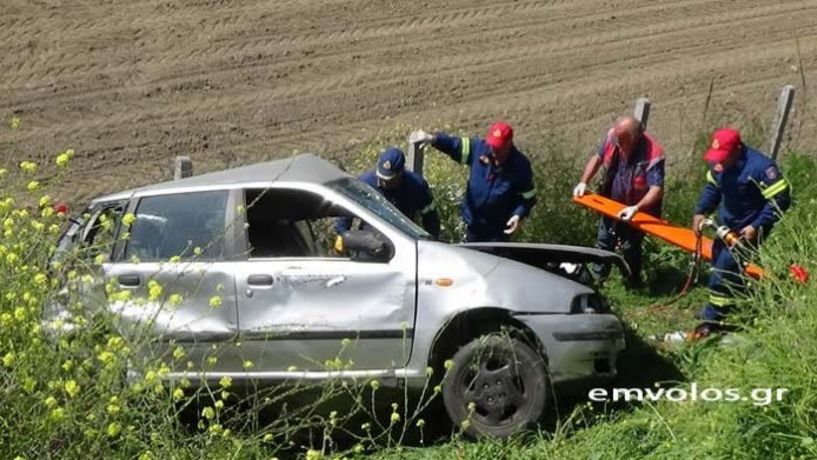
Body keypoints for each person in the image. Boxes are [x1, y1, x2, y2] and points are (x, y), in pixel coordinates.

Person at [690, 128, 791, 336]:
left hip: (748, 231)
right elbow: (713, 188)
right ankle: (730, 305)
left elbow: (781, 199)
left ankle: (712, 319)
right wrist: (701, 211)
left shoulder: (761, 168)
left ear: (737, 150)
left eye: (723, 157)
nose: (719, 162)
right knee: (720, 264)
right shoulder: (721, 163)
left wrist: (757, 226)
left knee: (724, 271)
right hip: (724, 226)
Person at [573, 115, 665, 286]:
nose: (618, 144)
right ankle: (598, 280)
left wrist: (636, 208)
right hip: (612, 204)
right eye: (617, 139)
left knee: (631, 247)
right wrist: (583, 181)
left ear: (635, 138)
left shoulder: (653, 154)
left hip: (638, 211)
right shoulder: (613, 137)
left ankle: (633, 282)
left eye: (622, 141)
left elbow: (656, 190)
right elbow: (598, 158)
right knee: (604, 240)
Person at [412, 122, 536, 242]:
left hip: (496, 232)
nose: (493, 150)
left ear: (509, 144)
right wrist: (433, 139)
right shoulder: (480, 149)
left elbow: (528, 198)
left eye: (498, 147)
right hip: (471, 224)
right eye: (492, 145)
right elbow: (455, 145)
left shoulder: (520, 167)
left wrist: (518, 215)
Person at [336, 147, 441, 238]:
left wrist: (433, 240)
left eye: (389, 180)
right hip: (370, 238)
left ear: (400, 173)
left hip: (404, 238)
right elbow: (347, 210)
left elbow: (430, 216)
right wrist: (342, 234)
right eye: (381, 178)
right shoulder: (364, 184)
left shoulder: (417, 186)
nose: (384, 183)